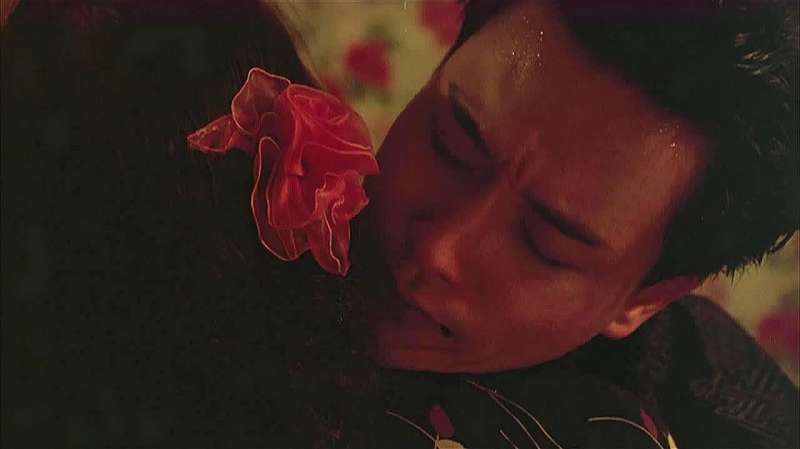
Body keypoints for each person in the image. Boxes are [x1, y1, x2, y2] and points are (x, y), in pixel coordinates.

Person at [1, 0, 797, 448]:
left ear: (646, 297)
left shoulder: (722, 413)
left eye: (544, 242)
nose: (438, 248)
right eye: (453, 141)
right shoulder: (218, 171)